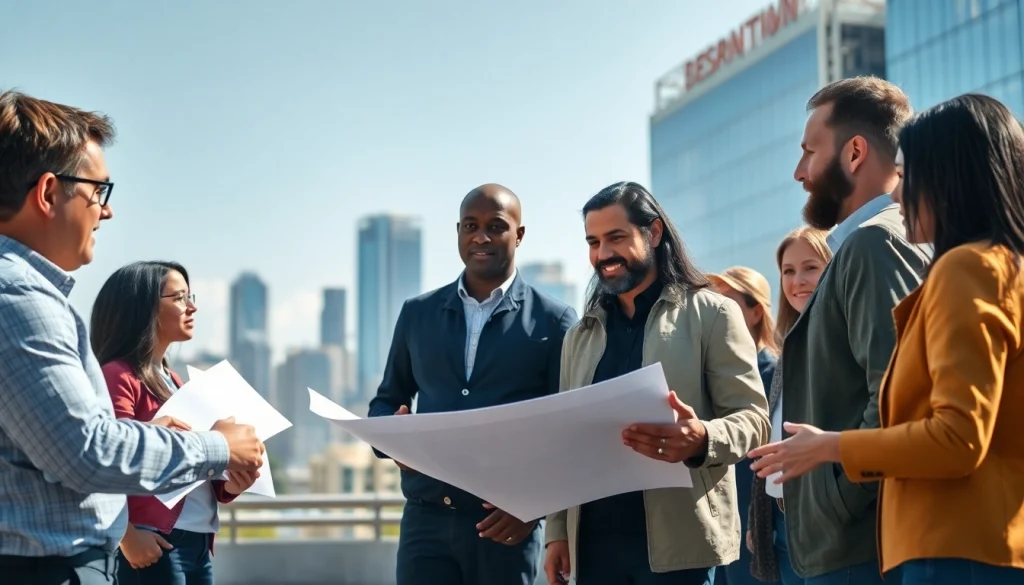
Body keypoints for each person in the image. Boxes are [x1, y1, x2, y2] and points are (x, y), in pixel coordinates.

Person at [750, 94, 1024, 584]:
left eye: (908, 174)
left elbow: (958, 437)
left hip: (952, 545)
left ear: (949, 177)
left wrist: (833, 449)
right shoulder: (1004, 267)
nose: (898, 196)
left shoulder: (964, 268)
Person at [0, 90, 264, 585]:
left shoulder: (28, 295)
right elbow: (88, 450)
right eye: (98, 191)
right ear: (49, 192)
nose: (106, 212)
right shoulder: (17, 297)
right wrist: (216, 447)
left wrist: (226, 467)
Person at [544, 181, 771, 585]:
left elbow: (754, 421)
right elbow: (565, 442)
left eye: (616, 237)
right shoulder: (580, 335)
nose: (603, 254)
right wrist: (557, 531)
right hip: (593, 546)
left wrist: (702, 438)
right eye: (593, 242)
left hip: (678, 547)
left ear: (653, 232)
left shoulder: (713, 313)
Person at [753, 76, 930, 585]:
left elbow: (898, 397)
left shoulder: (875, 244)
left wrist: (838, 497)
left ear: (854, 153)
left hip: (858, 545)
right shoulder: (875, 241)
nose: (799, 171)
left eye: (810, 152)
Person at [367, 184, 577, 585]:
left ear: (519, 235)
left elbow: (567, 432)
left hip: (507, 525)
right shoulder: (417, 313)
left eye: (496, 226)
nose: (481, 237)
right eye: (470, 226)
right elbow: (385, 402)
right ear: (458, 232)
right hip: (425, 521)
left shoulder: (556, 322)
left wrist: (533, 507)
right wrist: (392, 438)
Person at [90, 261, 260, 584]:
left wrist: (230, 485)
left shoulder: (174, 380)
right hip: (156, 541)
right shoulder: (118, 375)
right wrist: (127, 536)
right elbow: (105, 462)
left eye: (189, 296)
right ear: (143, 308)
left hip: (198, 543)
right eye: (180, 297)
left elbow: (193, 466)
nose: (192, 307)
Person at [746, 226, 832, 585]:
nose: (798, 281)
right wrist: (759, 517)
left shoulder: (839, 341)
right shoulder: (788, 350)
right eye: (788, 271)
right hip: (781, 526)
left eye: (810, 268)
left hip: (826, 527)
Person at [707, 266, 779, 585]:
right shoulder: (708, 374)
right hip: (714, 528)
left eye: (728, 303)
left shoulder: (774, 375)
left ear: (756, 312)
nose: (717, 311)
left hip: (754, 531)